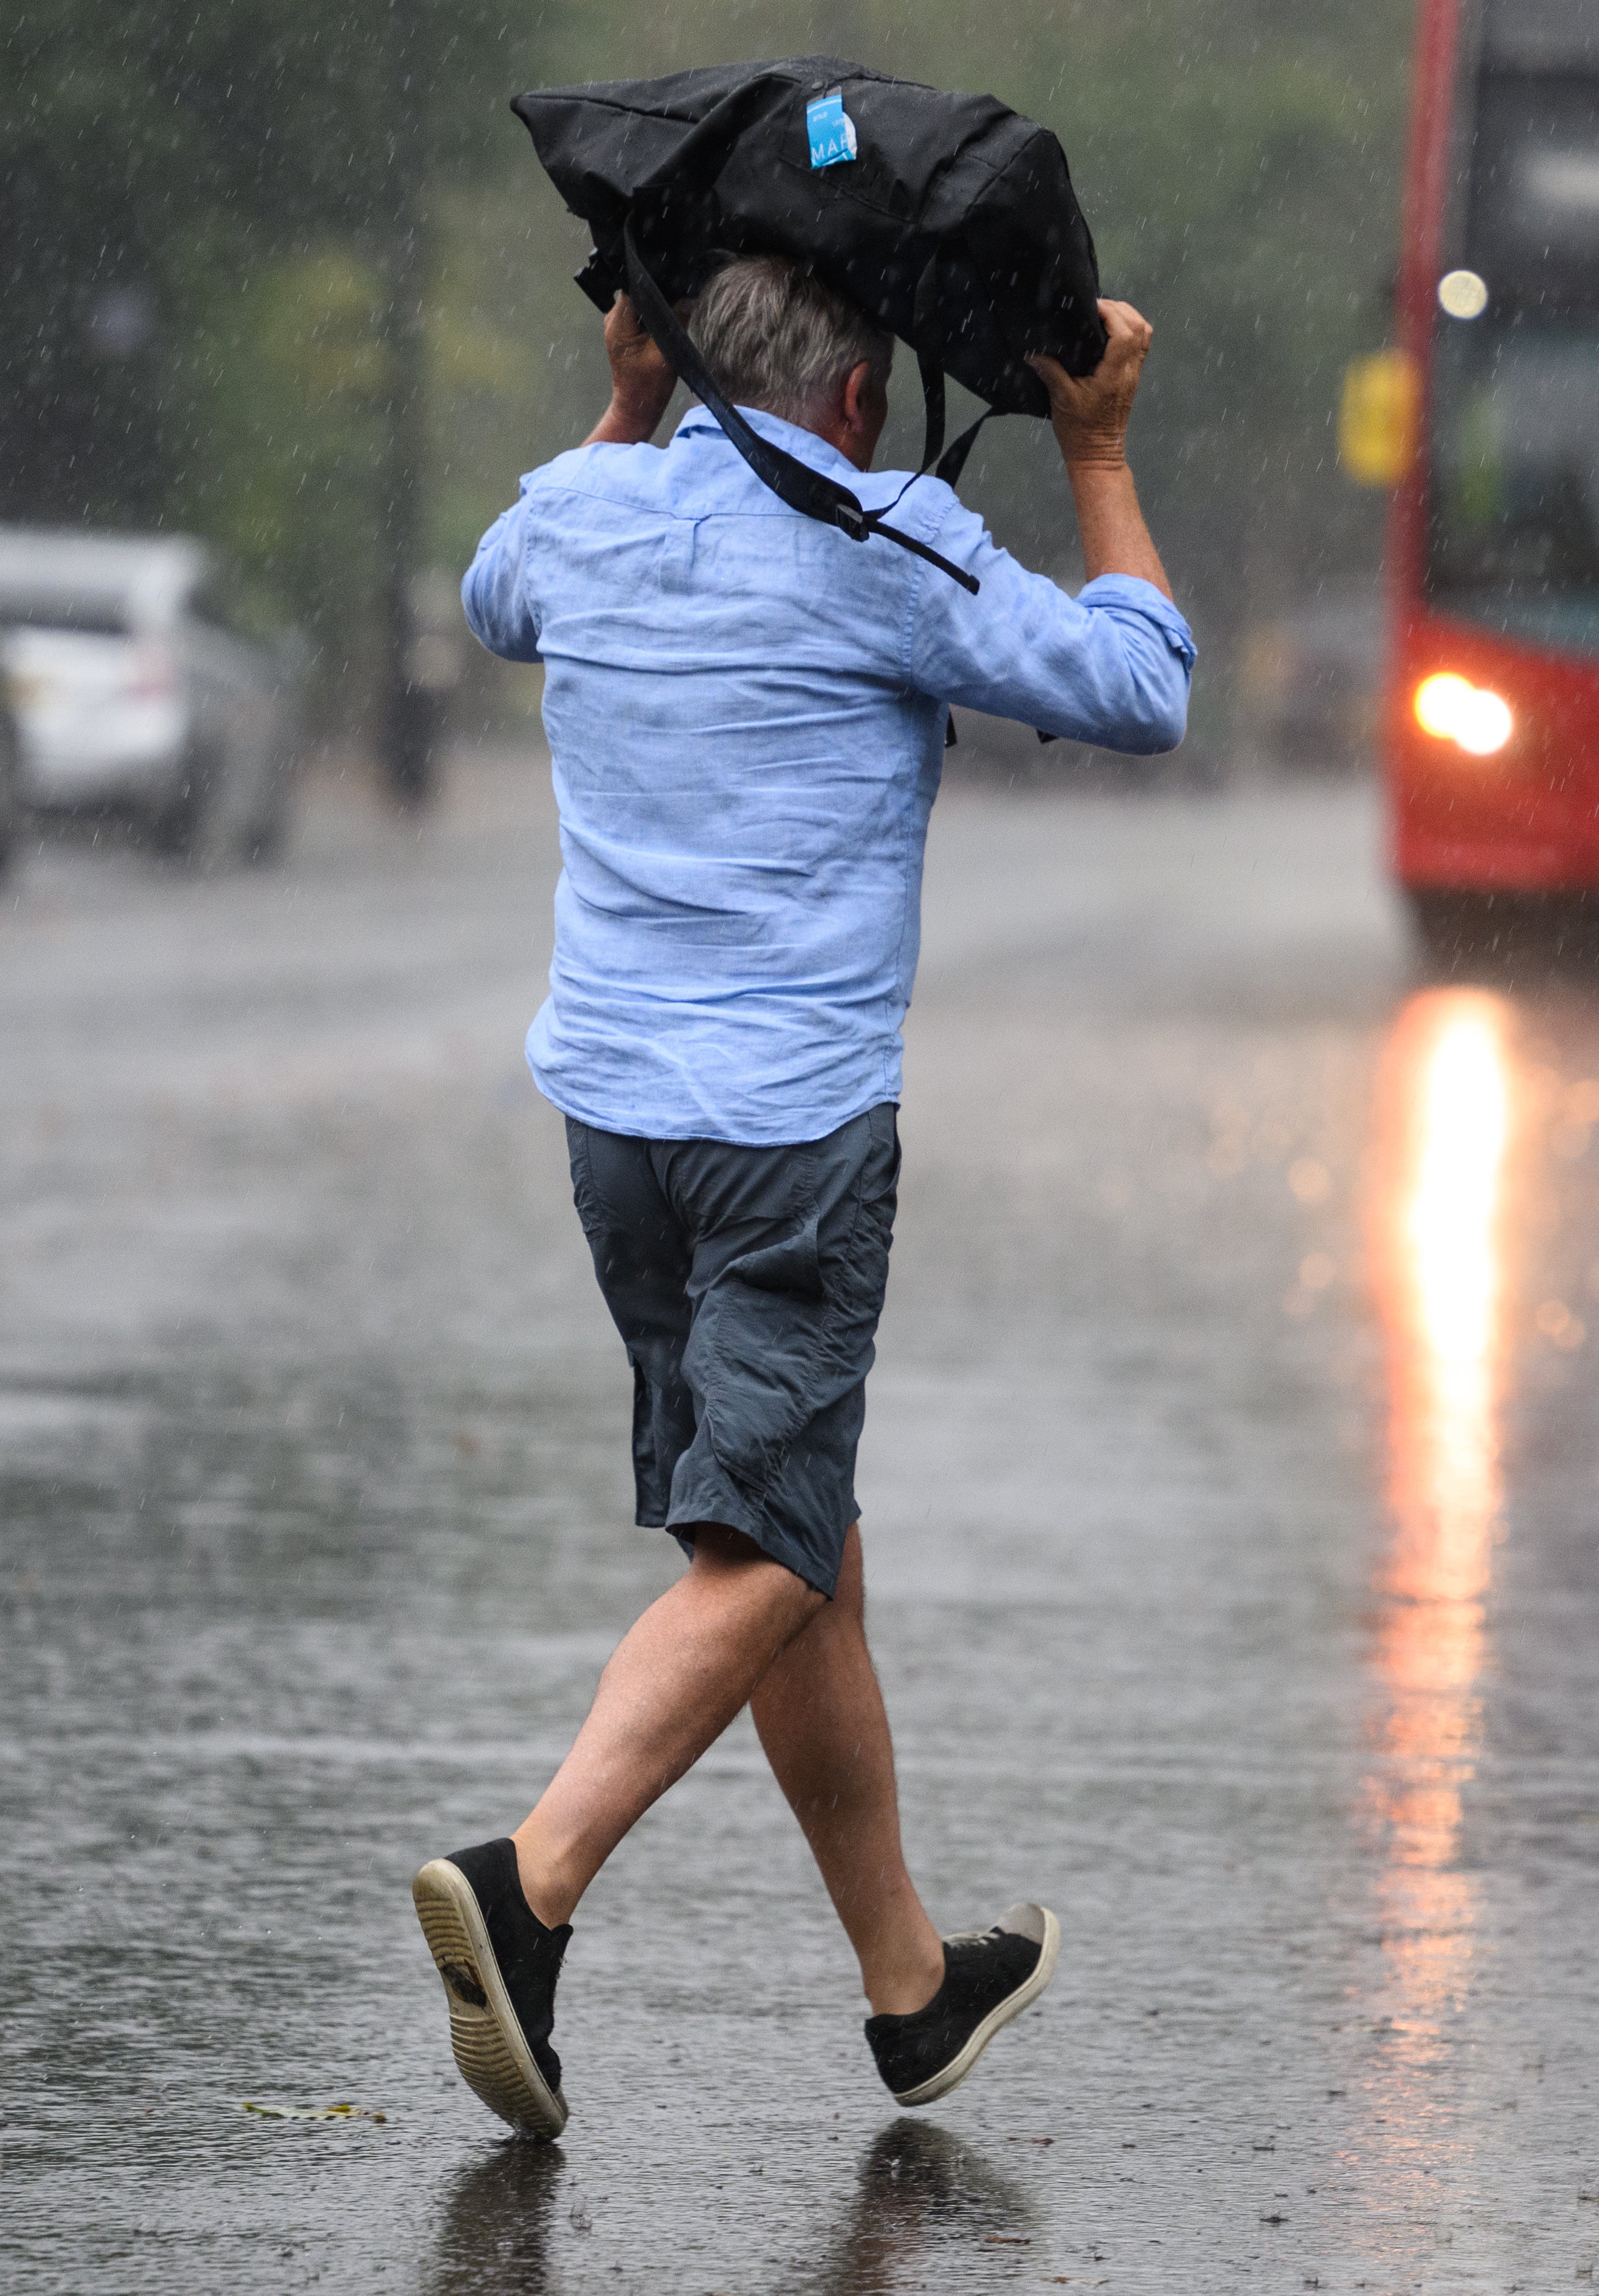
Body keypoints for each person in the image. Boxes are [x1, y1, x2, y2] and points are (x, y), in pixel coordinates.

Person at [418, 253, 1191, 2140]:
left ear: (673, 358)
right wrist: (1093, 447)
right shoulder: (885, 534)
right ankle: (532, 1886)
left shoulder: (583, 508)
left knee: (798, 1544)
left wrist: (623, 402)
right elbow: (1140, 683)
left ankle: (909, 1986)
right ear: (858, 398)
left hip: (617, 1125)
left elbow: (487, 597)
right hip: (787, 1132)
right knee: (763, 1540)